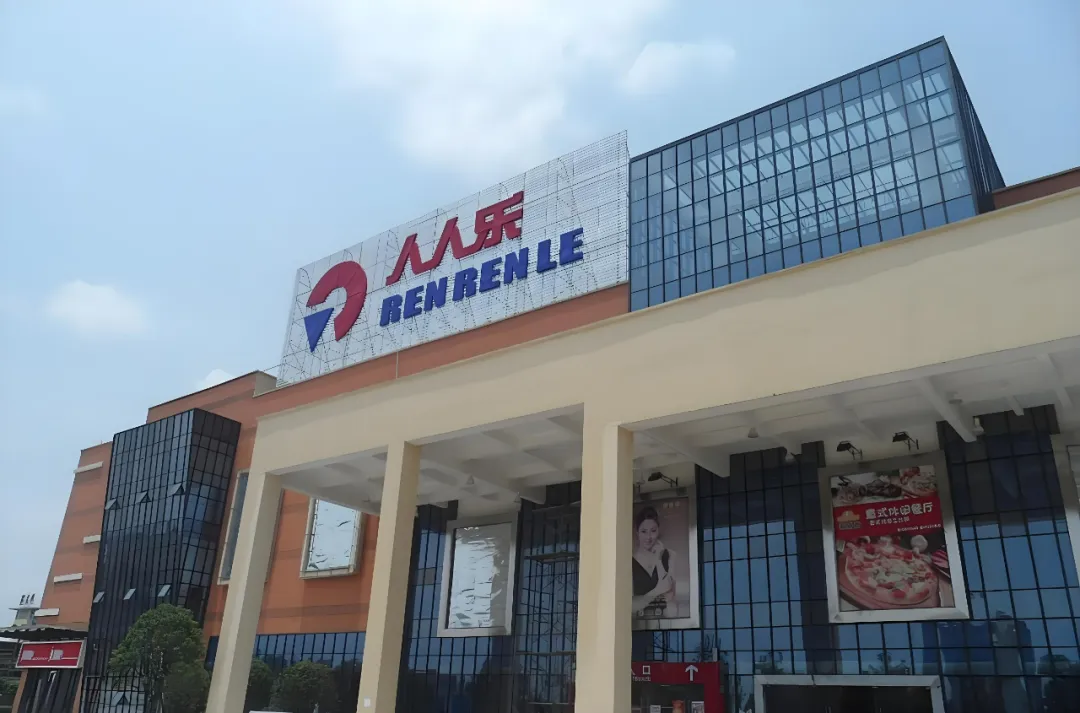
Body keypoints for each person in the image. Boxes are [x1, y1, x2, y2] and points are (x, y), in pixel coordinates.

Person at [632, 506, 676, 616]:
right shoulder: (629, 562)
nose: (649, 537)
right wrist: (658, 590)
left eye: (653, 531)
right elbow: (630, 607)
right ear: (637, 532)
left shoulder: (669, 555)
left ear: (658, 530)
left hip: (666, 618)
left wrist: (659, 559)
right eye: (644, 531)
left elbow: (672, 596)